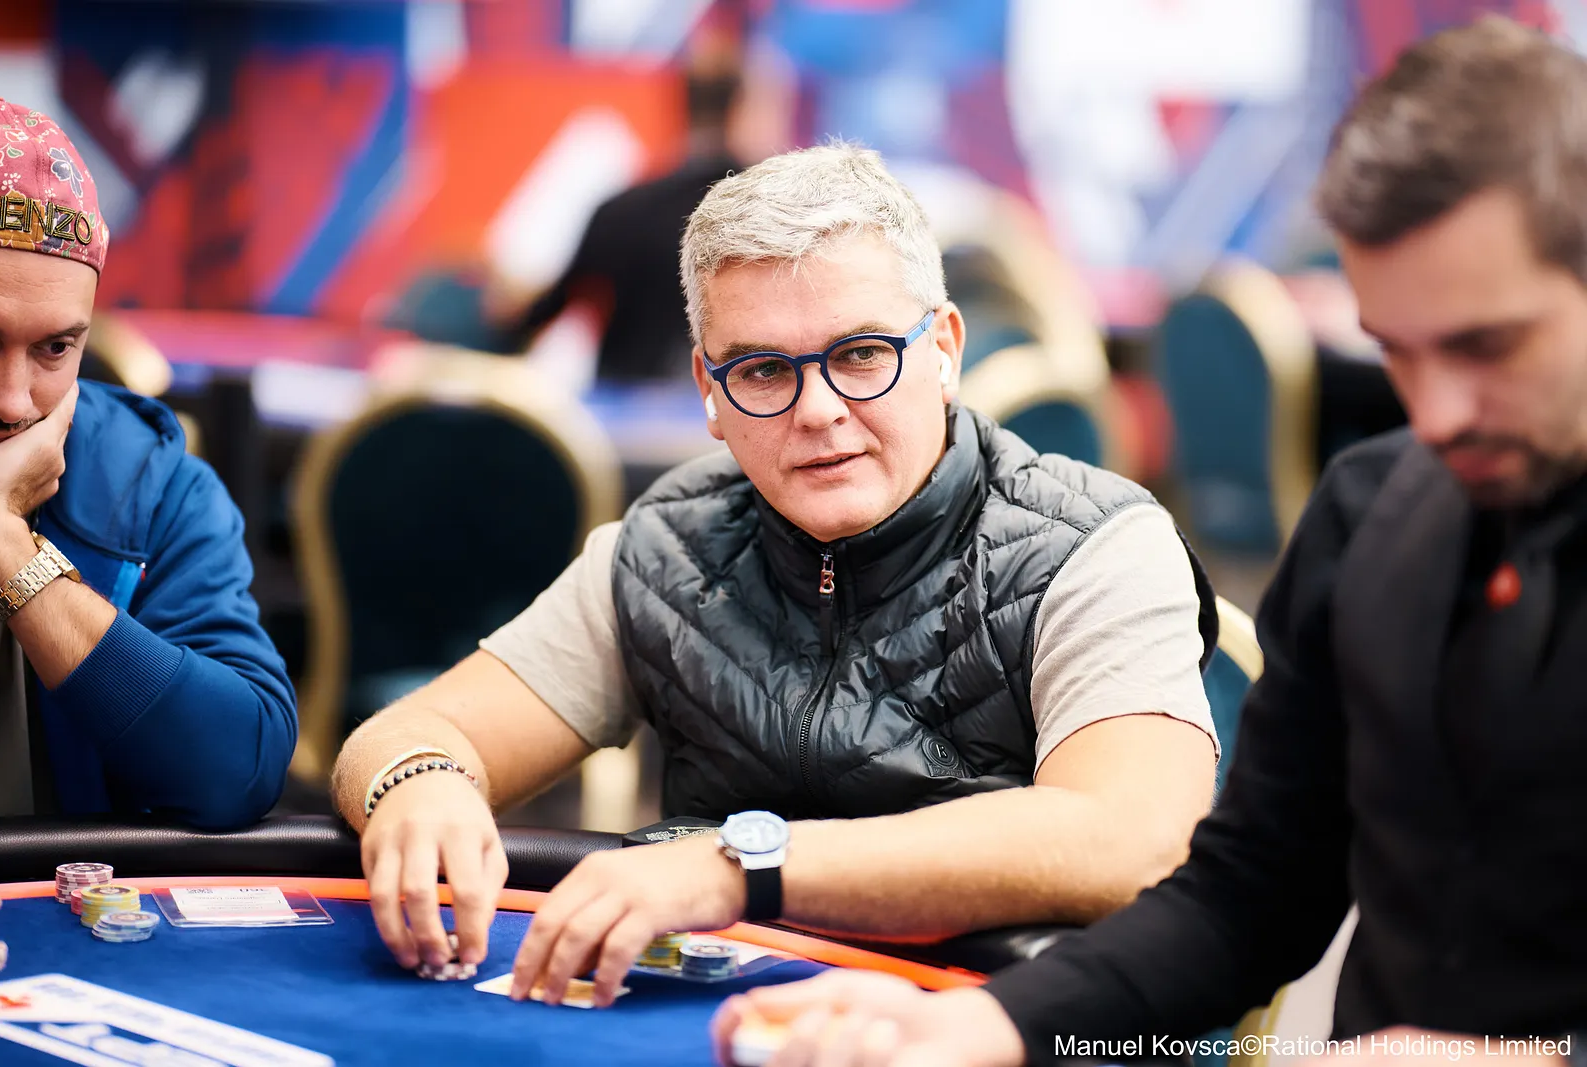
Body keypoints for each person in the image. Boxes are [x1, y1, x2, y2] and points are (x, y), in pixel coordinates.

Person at [711, 17, 1587, 1066]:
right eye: (1395, 351)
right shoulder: (1370, 514)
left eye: (1488, 347)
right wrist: (987, 1020)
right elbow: (1245, 897)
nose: (1435, 413)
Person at [335, 142, 1221, 1008]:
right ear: (710, 390)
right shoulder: (668, 548)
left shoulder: (1095, 545)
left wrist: (741, 866)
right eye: (762, 370)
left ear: (945, 350)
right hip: (723, 1022)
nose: (820, 410)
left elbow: (1131, 837)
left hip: (991, 1025)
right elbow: (414, 732)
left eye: (863, 353)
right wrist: (418, 782)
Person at [0, 98, 295, 829]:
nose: (11, 400)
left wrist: (6, 550)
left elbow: (237, 770)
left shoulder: (153, 486)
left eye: (54, 348)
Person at [489, 61, 747, 382]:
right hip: (728, 394)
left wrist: (502, 313)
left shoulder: (622, 210)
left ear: (681, 106)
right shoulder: (764, 213)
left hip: (624, 397)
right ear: (741, 109)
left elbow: (542, 312)